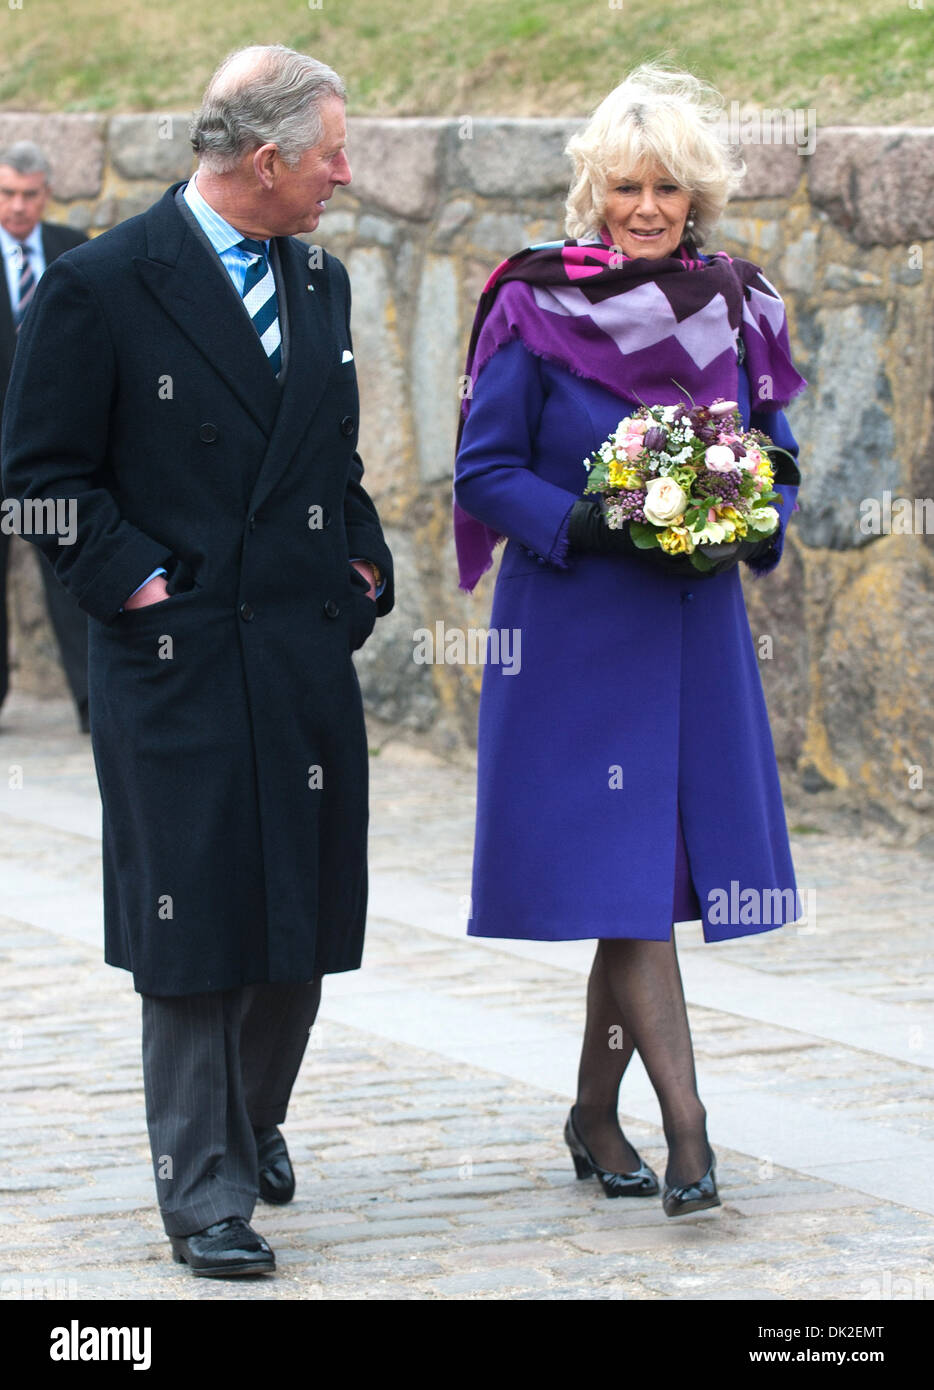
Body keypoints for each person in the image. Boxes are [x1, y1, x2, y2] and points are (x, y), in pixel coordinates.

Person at [2, 44, 394, 1276]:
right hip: (172, 660)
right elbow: (41, 485)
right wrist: (141, 583)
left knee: (306, 917)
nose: (346, 172)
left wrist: (365, 565)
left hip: (300, 655)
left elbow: (331, 460)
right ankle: (205, 1189)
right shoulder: (105, 285)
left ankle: (252, 1120)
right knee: (193, 931)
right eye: (330, 151)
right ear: (267, 160)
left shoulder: (319, 280)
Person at [453, 65, 805, 1218]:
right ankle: (689, 1132)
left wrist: (747, 517)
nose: (645, 206)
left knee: (638, 885)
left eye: (665, 186)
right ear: (593, 191)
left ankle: (593, 1112)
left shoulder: (739, 302)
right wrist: (592, 520)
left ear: (693, 193)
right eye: (624, 186)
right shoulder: (532, 298)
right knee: (631, 886)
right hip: (574, 633)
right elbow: (485, 472)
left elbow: (777, 452)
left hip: (694, 631)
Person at [0, 141, 90, 732]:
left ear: (46, 194)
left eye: (29, 194)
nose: (18, 206)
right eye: (7, 193)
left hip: (54, 456)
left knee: (73, 571)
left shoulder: (74, 252)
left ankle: (91, 701)